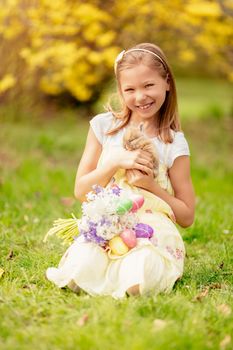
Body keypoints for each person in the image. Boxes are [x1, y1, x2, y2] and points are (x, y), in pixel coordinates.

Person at [46, 43, 195, 298]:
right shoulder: (104, 128)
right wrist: (114, 162)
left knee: (142, 262)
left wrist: (152, 187)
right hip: (109, 223)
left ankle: (135, 279)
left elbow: (186, 216)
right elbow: (82, 191)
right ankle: (94, 273)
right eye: (130, 89)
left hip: (153, 229)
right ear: (120, 90)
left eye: (149, 85)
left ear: (167, 83)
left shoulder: (173, 142)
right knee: (86, 259)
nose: (140, 97)